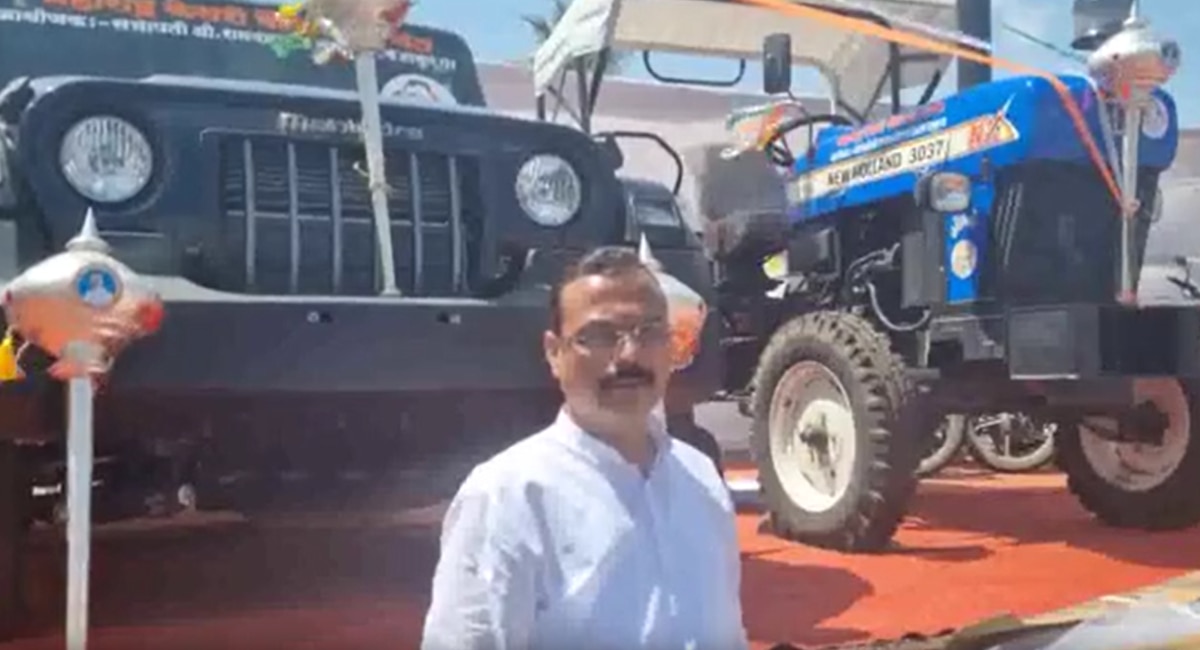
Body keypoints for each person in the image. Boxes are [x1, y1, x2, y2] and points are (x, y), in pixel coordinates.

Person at [421, 246, 748, 650]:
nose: (628, 355)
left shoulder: (701, 482)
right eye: (598, 336)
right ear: (554, 353)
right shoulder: (508, 497)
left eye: (648, 332)